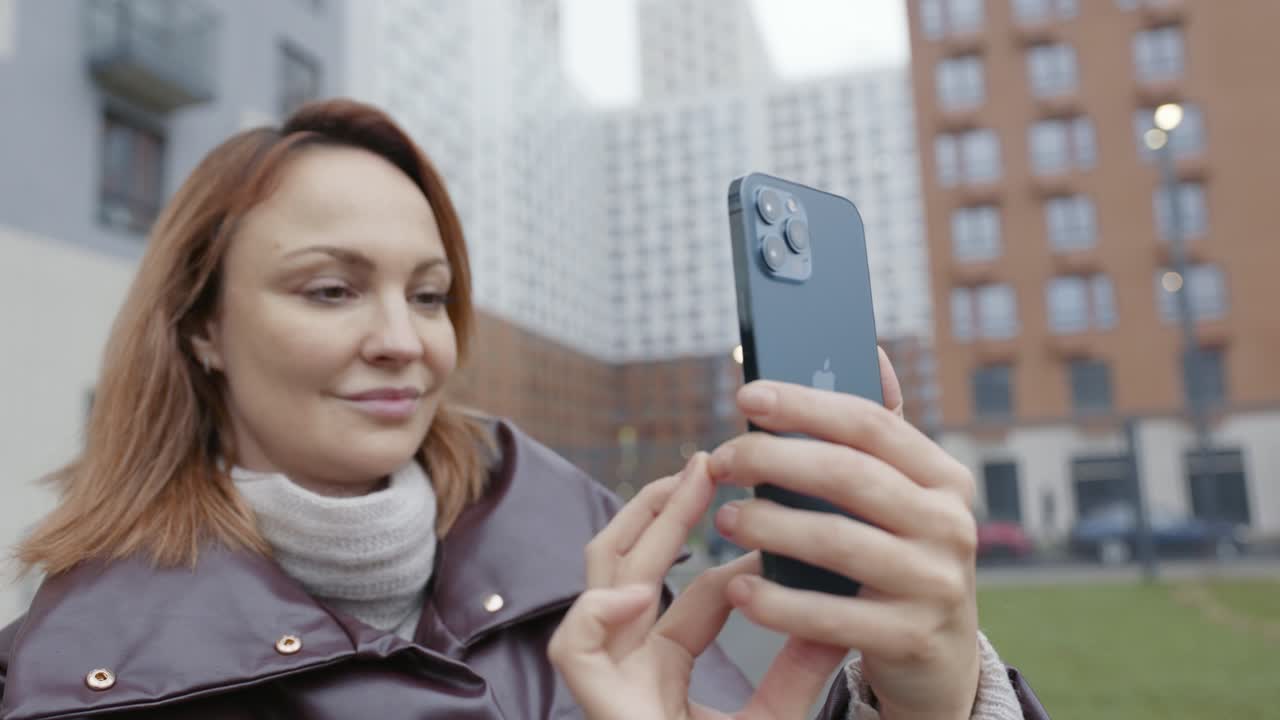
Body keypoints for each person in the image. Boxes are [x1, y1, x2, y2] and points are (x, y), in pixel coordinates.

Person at [0, 100, 1047, 719]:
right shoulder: (64, 672)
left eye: (426, 294)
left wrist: (937, 694)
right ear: (203, 330)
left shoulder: (580, 542)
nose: (404, 341)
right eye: (330, 288)